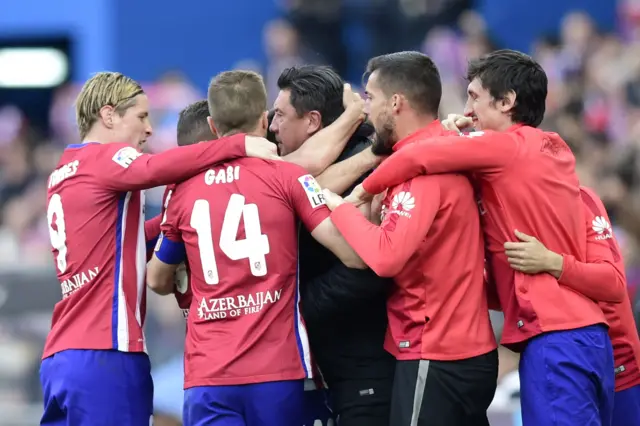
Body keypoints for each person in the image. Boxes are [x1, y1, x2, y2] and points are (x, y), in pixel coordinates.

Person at [348, 49, 616, 425]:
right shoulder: (553, 149)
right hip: (589, 337)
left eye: (474, 97)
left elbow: (416, 157)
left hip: (554, 340)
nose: (468, 110)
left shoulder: (505, 147)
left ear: (507, 102)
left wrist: (358, 194)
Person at [41, 71, 277, 426]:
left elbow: (121, 243)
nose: (149, 129)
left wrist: (177, 223)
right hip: (105, 352)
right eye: (140, 116)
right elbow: (156, 167)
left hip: (61, 356)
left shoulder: (63, 171)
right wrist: (238, 144)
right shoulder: (103, 160)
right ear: (108, 116)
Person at [146, 70, 365, 426]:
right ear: (264, 120)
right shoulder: (287, 177)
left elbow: (156, 279)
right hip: (277, 370)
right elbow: (351, 253)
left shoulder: (183, 192)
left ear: (214, 127)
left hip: (209, 372)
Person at [321, 51, 498, 426]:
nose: (366, 111)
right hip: (461, 349)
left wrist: (339, 206)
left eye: (370, 98)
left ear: (396, 102)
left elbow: (386, 257)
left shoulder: (425, 168)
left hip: (435, 353)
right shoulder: (439, 153)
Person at [269, 65, 396, 426]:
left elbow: (372, 269)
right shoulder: (363, 154)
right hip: (325, 367)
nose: (272, 126)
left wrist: (299, 306)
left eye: (280, 115)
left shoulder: (376, 171)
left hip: (365, 363)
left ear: (311, 121)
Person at [503, 186, 640, 426]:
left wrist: (553, 262)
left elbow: (614, 282)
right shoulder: (507, 210)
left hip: (620, 363)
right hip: (563, 353)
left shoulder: (580, 198)